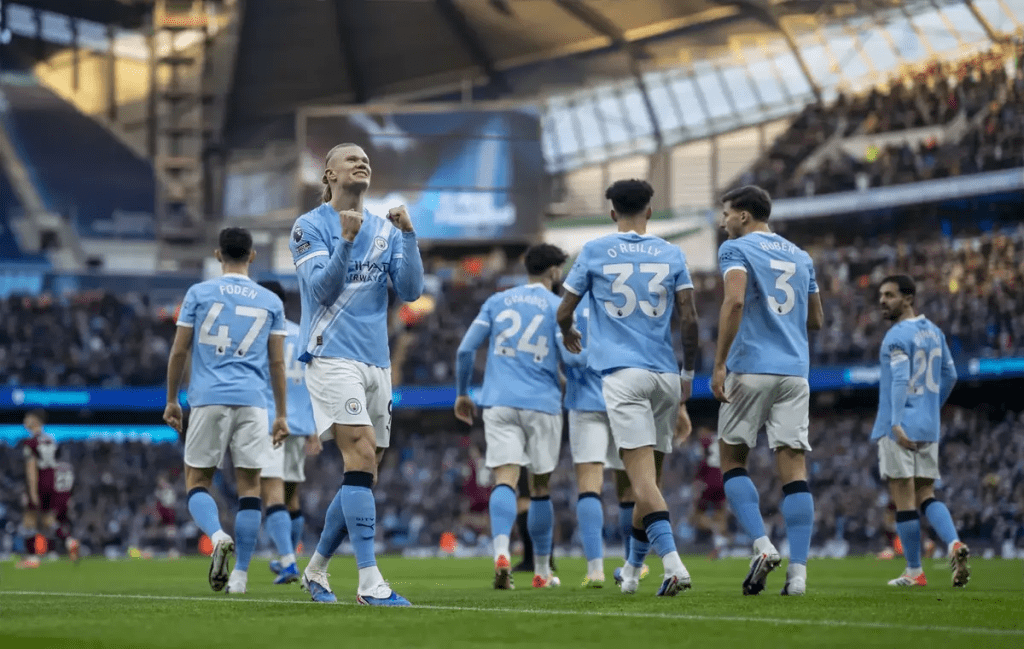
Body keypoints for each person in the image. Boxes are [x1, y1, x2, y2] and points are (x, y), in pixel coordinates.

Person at [290, 142, 423, 606]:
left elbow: (411, 291)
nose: (362, 162)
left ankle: (316, 569)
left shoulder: (386, 230)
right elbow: (320, 292)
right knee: (362, 453)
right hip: (330, 355)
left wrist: (409, 236)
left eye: (366, 159)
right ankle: (370, 582)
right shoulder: (309, 226)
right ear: (328, 175)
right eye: (351, 159)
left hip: (376, 361)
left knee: (365, 470)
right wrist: (345, 241)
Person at [557, 178, 698, 597]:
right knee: (648, 482)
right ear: (649, 211)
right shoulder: (673, 253)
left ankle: (673, 564)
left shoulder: (595, 251)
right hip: (666, 375)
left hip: (624, 376)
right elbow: (690, 318)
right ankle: (633, 573)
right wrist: (689, 375)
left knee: (642, 483)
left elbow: (564, 310)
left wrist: (567, 331)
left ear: (613, 213)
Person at [164, 227, 290, 595]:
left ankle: (218, 535)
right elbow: (277, 363)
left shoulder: (199, 293)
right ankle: (240, 577)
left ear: (218, 255)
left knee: (197, 481)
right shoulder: (271, 301)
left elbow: (179, 350)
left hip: (208, 399)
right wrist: (281, 414)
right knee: (251, 488)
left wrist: (172, 400)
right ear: (252, 256)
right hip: (253, 401)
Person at [711, 185, 823, 597]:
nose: (723, 221)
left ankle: (761, 545)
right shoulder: (801, 256)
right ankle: (799, 575)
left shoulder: (735, 249)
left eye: (726, 213)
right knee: (794, 470)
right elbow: (816, 320)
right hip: (795, 373)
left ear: (743, 216)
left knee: (731, 461)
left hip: (751, 368)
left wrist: (719, 363)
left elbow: (735, 301)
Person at [454, 243, 571, 590]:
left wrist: (462, 392)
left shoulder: (497, 301)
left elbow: (465, 349)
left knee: (505, 480)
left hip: (500, 402)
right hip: (542, 403)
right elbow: (573, 358)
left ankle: (502, 553)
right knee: (539, 489)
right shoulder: (560, 306)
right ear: (554, 271)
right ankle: (542, 571)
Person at [872, 274, 969, 587]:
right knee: (927, 493)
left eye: (889, 295)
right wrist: (931, 407)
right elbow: (951, 375)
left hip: (900, 426)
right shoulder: (935, 332)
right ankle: (954, 542)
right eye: (881, 295)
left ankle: (914, 571)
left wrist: (896, 421)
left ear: (908, 298)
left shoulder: (897, 335)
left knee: (904, 501)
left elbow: (900, 378)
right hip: (928, 425)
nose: (882, 301)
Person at [564, 300, 652, 587]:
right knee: (628, 487)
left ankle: (595, 570)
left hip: (585, 402)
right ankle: (633, 564)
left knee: (589, 484)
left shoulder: (569, 307)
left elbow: (567, 356)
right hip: (624, 400)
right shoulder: (624, 302)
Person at [256, 281, 323, 585]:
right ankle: (288, 558)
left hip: (270, 422)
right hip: (301, 424)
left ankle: (287, 562)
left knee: (272, 493)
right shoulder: (303, 334)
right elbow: (316, 383)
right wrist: (315, 427)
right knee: (290, 497)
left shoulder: (259, 335)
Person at [19, 409, 59, 567]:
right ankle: (53, 551)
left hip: (39, 484)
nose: (25, 421)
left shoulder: (30, 443)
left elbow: (31, 469)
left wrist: (32, 492)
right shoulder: (50, 440)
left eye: (27, 418)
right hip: (51, 484)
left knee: (29, 520)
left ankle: (32, 556)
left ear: (36, 421)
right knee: (48, 519)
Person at [689, 427, 730, 559]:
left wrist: (697, 478)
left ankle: (715, 530)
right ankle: (722, 545)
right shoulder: (721, 440)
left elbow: (702, 459)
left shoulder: (705, 442)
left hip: (709, 481)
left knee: (696, 516)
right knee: (721, 514)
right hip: (722, 480)